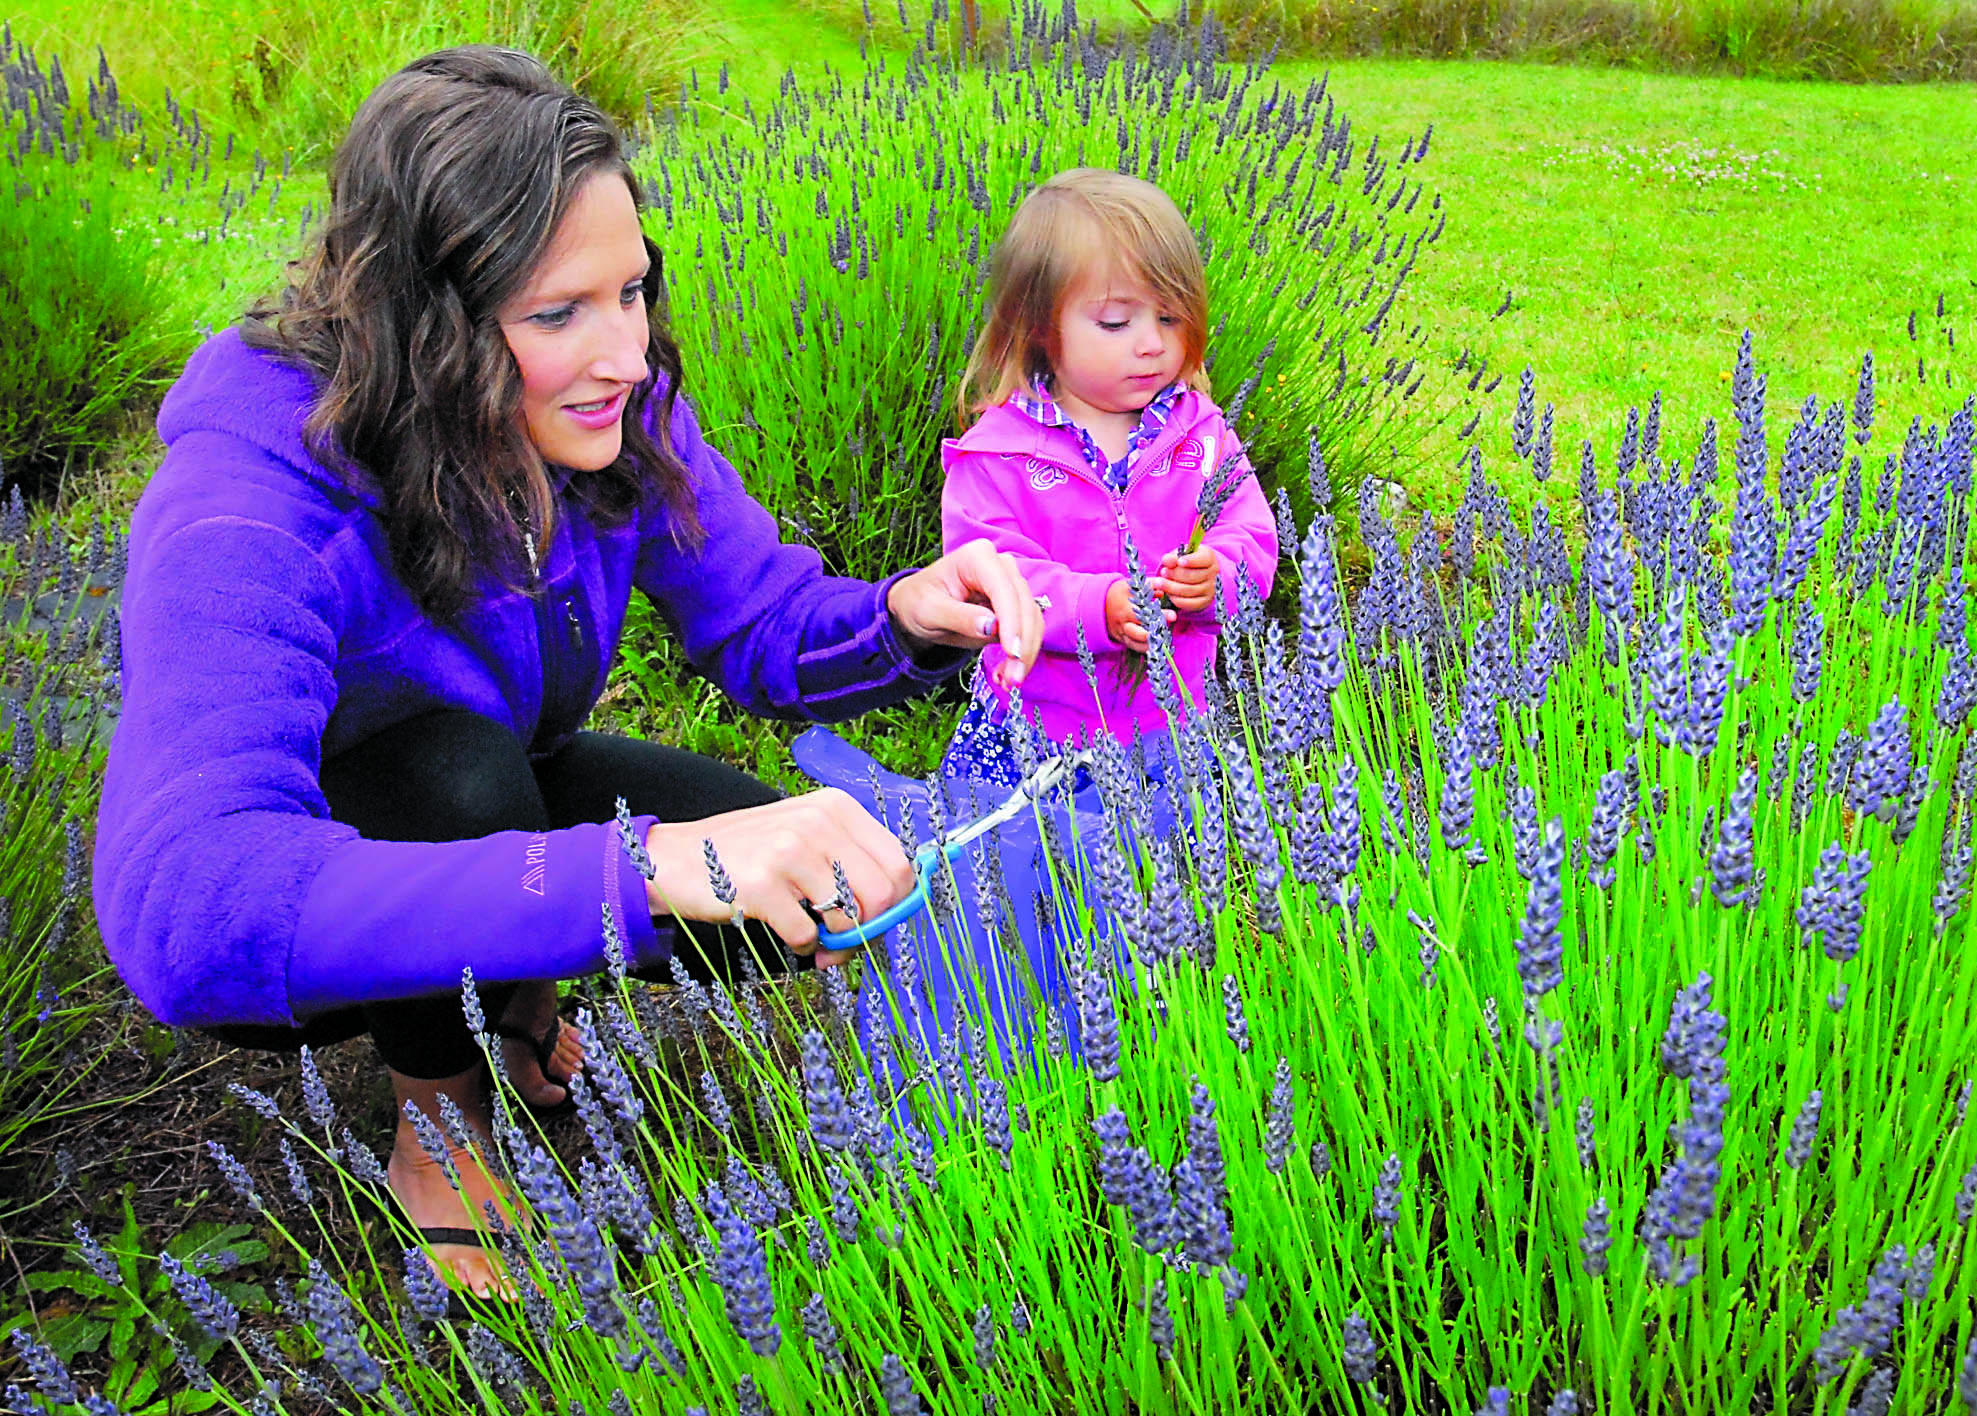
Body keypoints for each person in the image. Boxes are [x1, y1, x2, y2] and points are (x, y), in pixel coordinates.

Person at [89, 46, 1042, 1299]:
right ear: (422, 325)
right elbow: (184, 905)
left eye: (631, 293)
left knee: (769, 877)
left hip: (503, 774)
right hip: (355, 829)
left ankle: (515, 999)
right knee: (465, 786)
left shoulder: (609, 414)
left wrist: (909, 618)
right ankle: (437, 1117)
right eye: (559, 314)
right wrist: (638, 870)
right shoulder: (248, 506)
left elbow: (759, 620)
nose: (627, 355)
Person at [936, 167, 1277, 788]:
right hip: (1035, 733)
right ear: (1040, 327)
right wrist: (1098, 608)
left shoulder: (1199, 435)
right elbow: (996, 577)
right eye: (1117, 323)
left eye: (1171, 319)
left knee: (1160, 874)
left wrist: (1218, 578)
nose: (1150, 344)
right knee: (1021, 873)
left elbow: (1249, 531)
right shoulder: (996, 459)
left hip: (1167, 726)